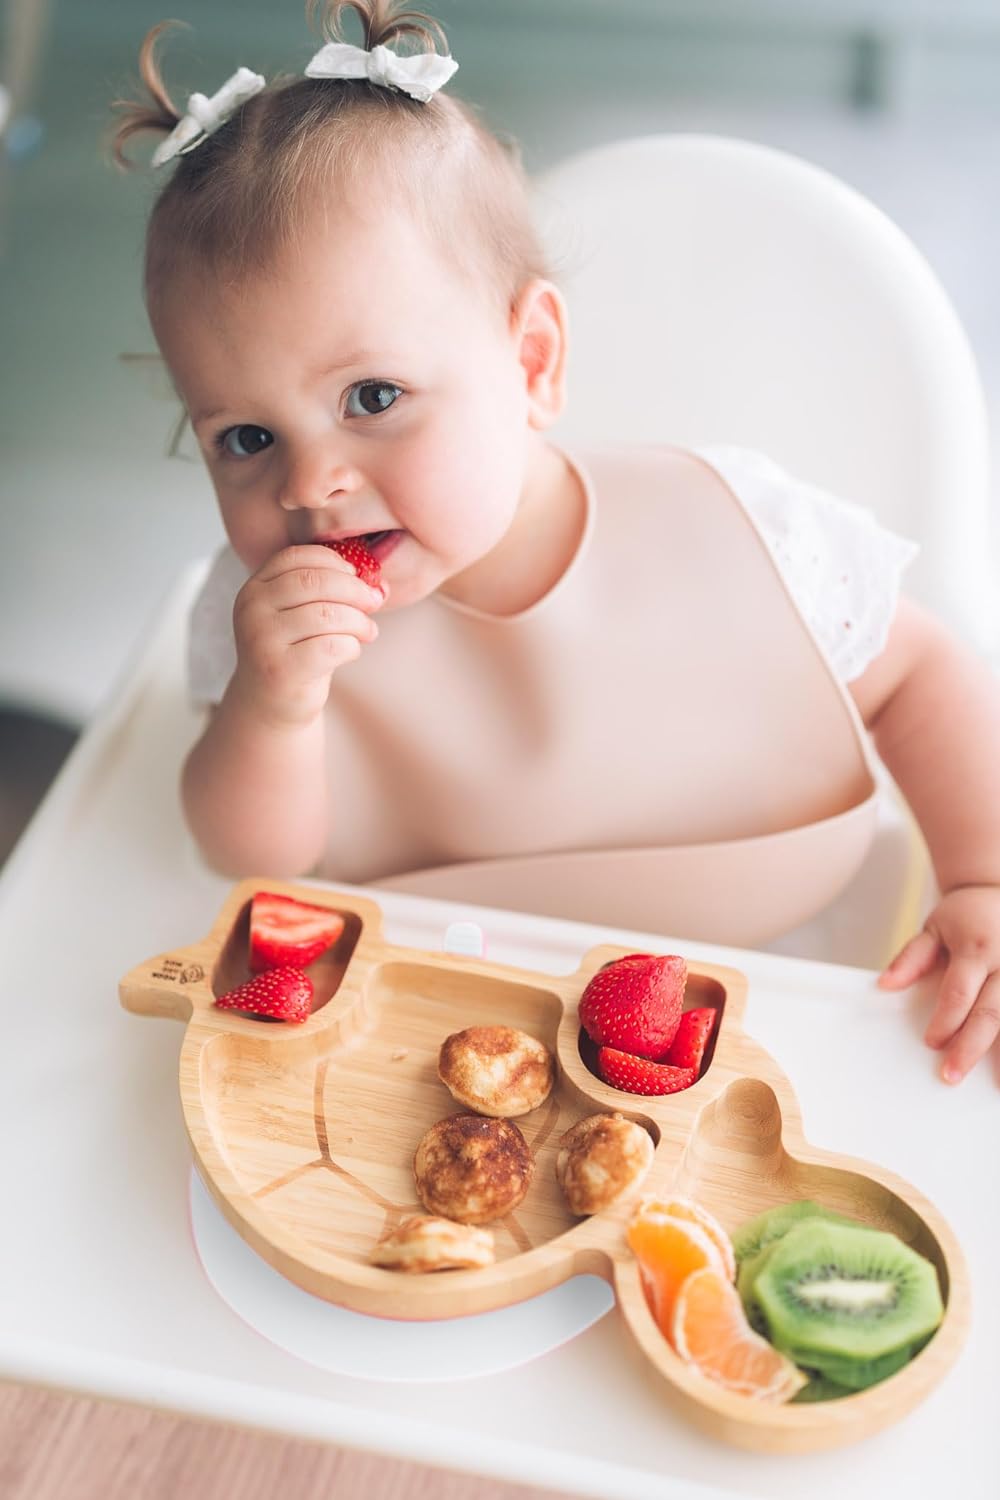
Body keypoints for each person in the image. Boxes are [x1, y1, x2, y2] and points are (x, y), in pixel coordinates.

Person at [112, 0, 1000, 1084]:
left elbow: (921, 677)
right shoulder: (260, 620)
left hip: (797, 1001)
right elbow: (252, 861)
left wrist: (981, 880)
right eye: (244, 437)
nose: (310, 485)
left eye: (374, 395)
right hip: (442, 1041)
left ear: (531, 360)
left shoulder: (745, 531)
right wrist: (273, 703)